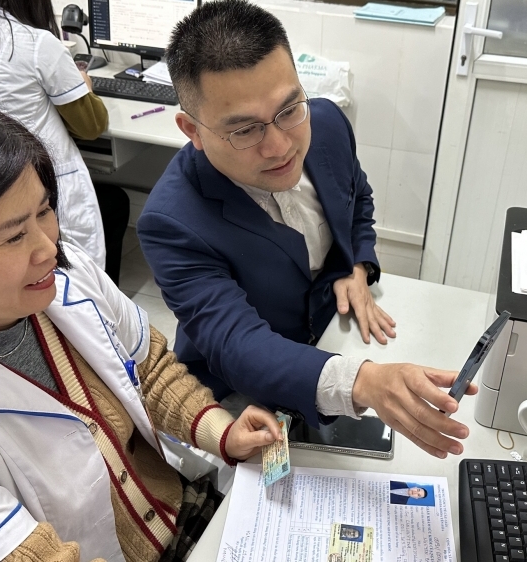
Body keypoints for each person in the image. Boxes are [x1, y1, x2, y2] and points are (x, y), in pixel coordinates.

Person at [0, 92, 281, 562]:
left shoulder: (63, 278)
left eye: (44, 211)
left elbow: (147, 369)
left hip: (180, 515)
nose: (49, 248)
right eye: (14, 236)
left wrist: (222, 432)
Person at [138, 0, 474, 459]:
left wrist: (356, 265)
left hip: (337, 332)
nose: (280, 146)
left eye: (289, 108)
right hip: (244, 391)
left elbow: (357, 198)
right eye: (244, 130)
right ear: (192, 130)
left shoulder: (327, 123)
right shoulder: (172, 222)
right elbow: (238, 344)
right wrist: (362, 381)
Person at [0, 0, 108, 270]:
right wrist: (84, 86)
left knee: (21, 263)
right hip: (42, 181)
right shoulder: (37, 43)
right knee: (73, 270)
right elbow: (91, 126)